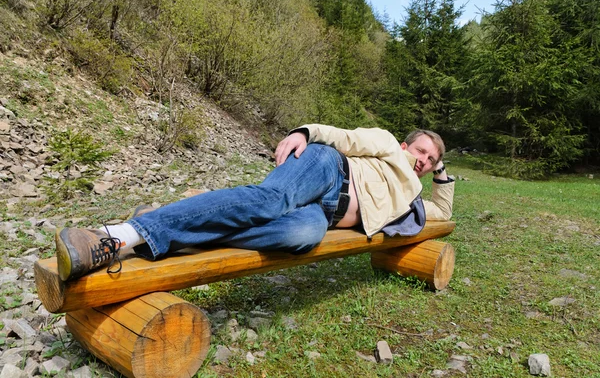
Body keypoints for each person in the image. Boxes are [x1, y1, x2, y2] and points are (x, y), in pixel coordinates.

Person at [54, 124, 454, 281]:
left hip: (324, 215)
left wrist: (442, 176)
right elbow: (347, 138)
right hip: (329, 169)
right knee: (271, 199)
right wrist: (306, 132)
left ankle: (171, 230)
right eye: (421, 151)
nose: (423, 160)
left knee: (302, 234)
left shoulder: (414, 193)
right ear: (406, 145)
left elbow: (443, 213)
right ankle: (111, 236)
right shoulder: (387, 144)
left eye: (430, 160)